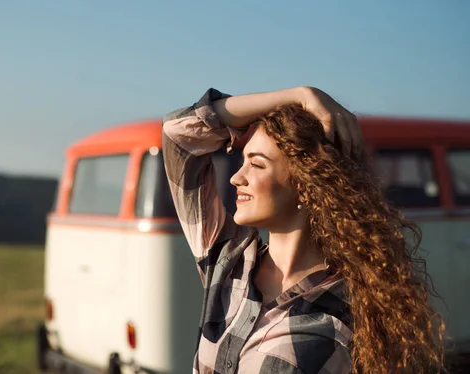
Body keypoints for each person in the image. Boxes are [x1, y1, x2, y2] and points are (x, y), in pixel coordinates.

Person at [162, 87, 445, 374]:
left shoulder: (348, 310)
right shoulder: (228, 259)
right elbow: (179, 136)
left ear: (305, 185)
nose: (236, 177)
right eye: (242, 161)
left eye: (257, 165)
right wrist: (298, 95)